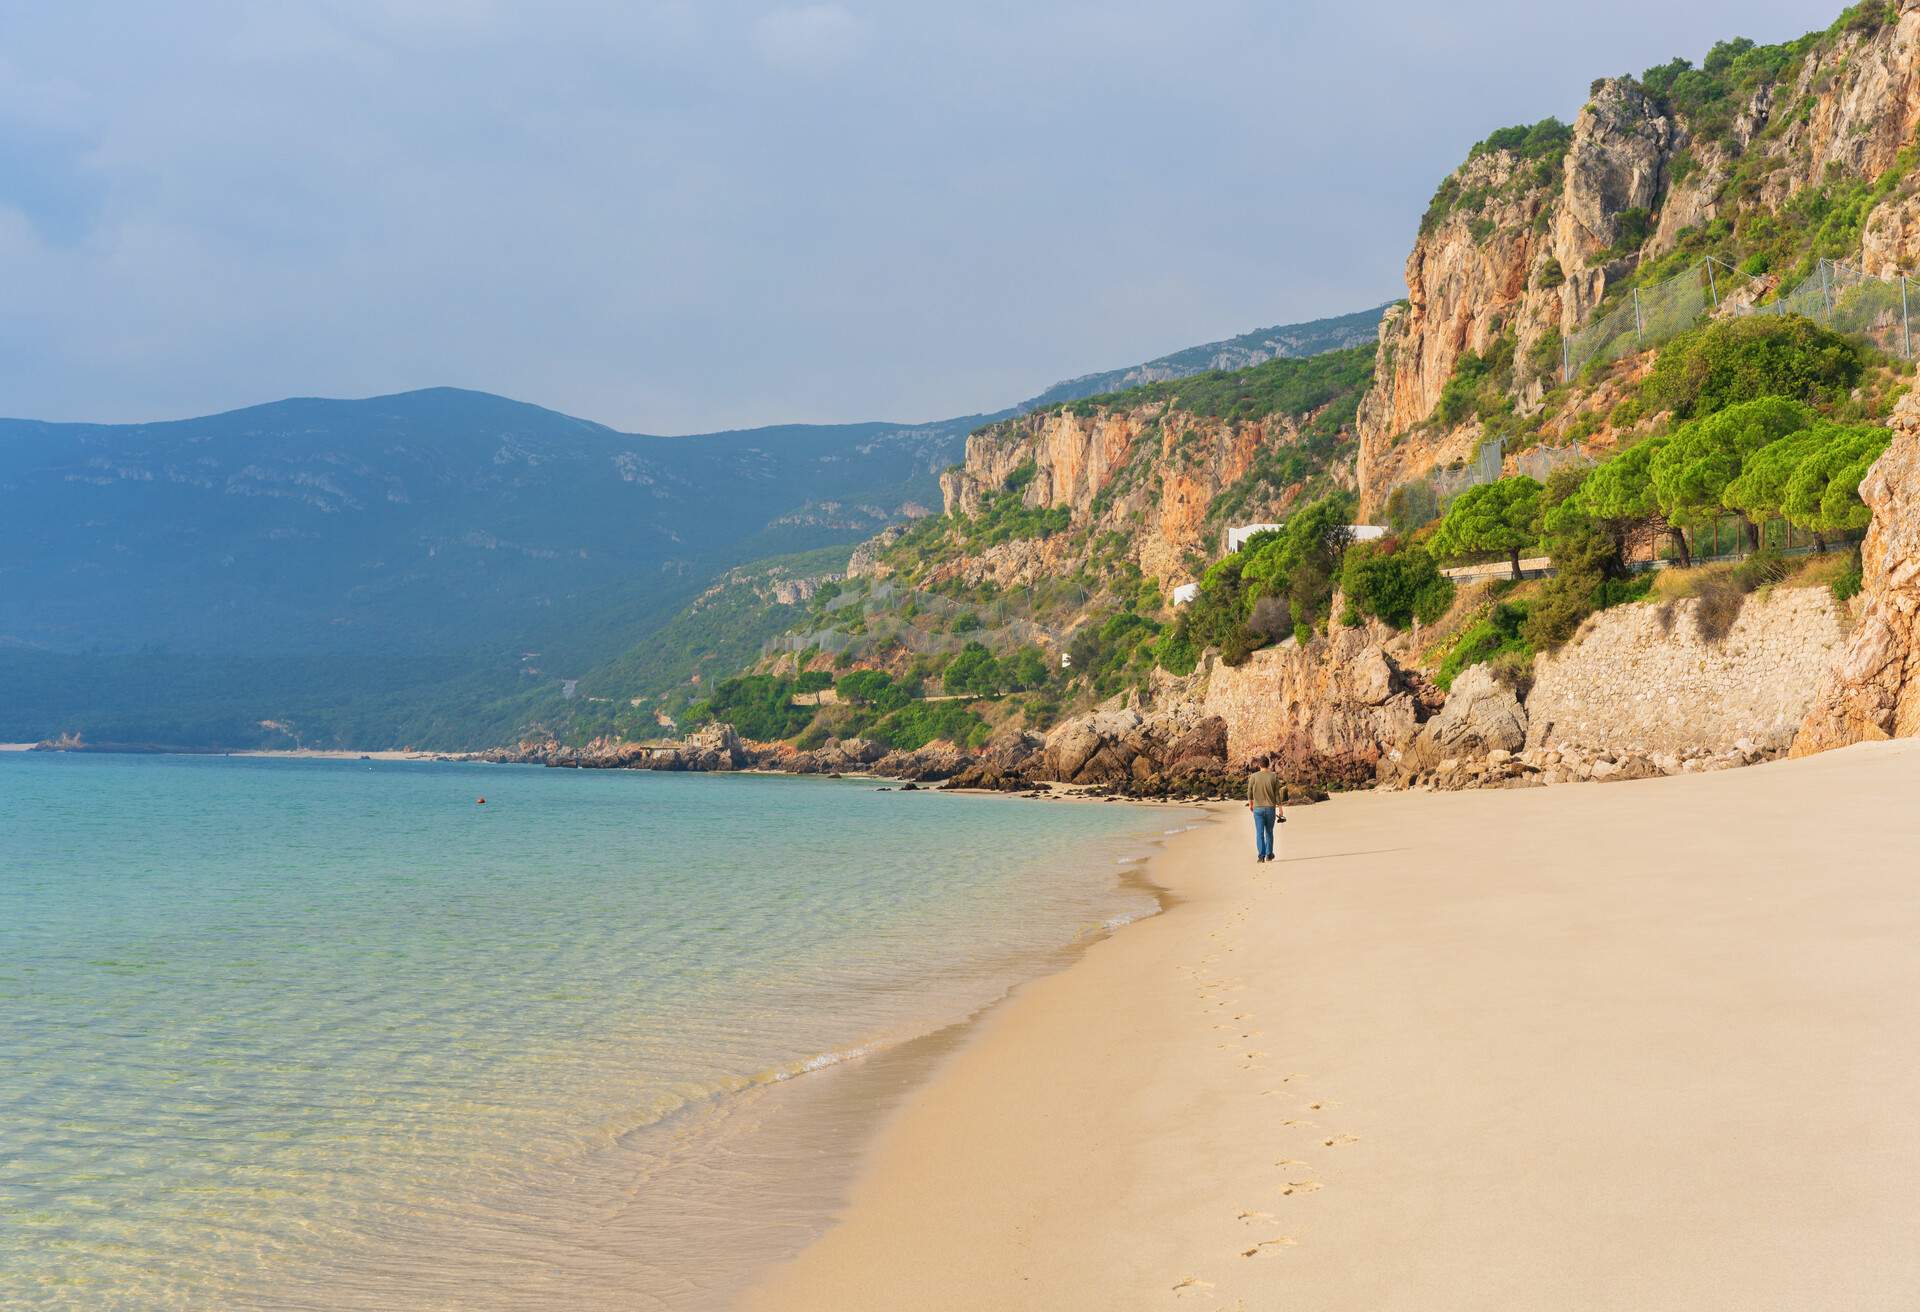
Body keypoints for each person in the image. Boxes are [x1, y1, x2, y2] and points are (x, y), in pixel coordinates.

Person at [1246, 754, 1284, 864]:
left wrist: (1250, 804)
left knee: (1259, 833)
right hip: (1270, 809)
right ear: (1269, 765)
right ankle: (1269, 855)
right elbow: (1277, 794)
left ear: (1259, 765)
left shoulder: (1253, 776)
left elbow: (1249, 791)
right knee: (1269, 832)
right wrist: (1280, 808)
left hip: (1257, 809)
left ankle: (1261, 856)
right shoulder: (1273, 776)